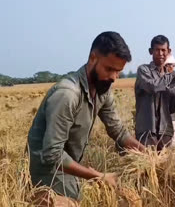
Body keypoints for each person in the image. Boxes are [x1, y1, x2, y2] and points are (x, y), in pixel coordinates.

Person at [27, 31, 145, 205]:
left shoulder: (102, 90)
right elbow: (52, 155)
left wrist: (150, 155)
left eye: (118, 72)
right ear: (93, 58)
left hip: (67, 166)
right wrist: (99, 176)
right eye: (109, 69)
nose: (113, 77)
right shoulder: (67, 95)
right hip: (46, 172)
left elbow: (118, 131)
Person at [134, 35, 175, 151]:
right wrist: (174, 73)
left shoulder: (172, 79)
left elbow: (172, 108)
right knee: (147, 165)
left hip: (165, 131)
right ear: (151, 51)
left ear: (169, 51)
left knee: (165, 167)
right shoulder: (143, 70)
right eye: (157, 50)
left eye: (163, 50)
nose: (160, 53)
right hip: (147, 130)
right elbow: (153, 86)